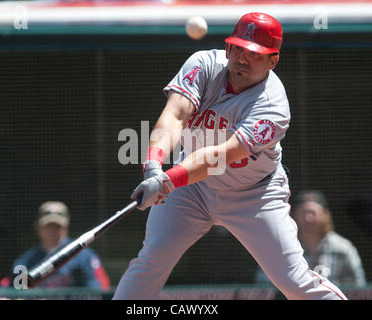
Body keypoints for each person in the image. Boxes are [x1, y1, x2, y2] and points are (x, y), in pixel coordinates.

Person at [113, 12, 347, 300]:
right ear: (228, 48)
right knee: (151, 260)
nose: (242, 58)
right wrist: (152, 166)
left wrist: (167, 180)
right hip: (192, 189)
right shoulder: (204, 64)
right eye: (238, 48)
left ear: (273, 61)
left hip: (254, 195)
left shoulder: (273, 105)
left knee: (293, 281)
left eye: (254, 53)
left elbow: (221, 155)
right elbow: (175, 115)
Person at [255, 190, 367, 287]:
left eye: (313, 213)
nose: (308, 218)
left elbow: (358, 286)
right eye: (304, 213)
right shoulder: (281, 247)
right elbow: (263, 286)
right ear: (294, 215)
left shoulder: (343, 248)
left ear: (325, 215)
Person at [0, 201, 111, 289]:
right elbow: (10, 293)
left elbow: (99, 290)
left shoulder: (84, 256)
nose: (52, 231)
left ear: (66, 227)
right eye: (48, 226)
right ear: (38, 228)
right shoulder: (24, 262)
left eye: (57, 226)